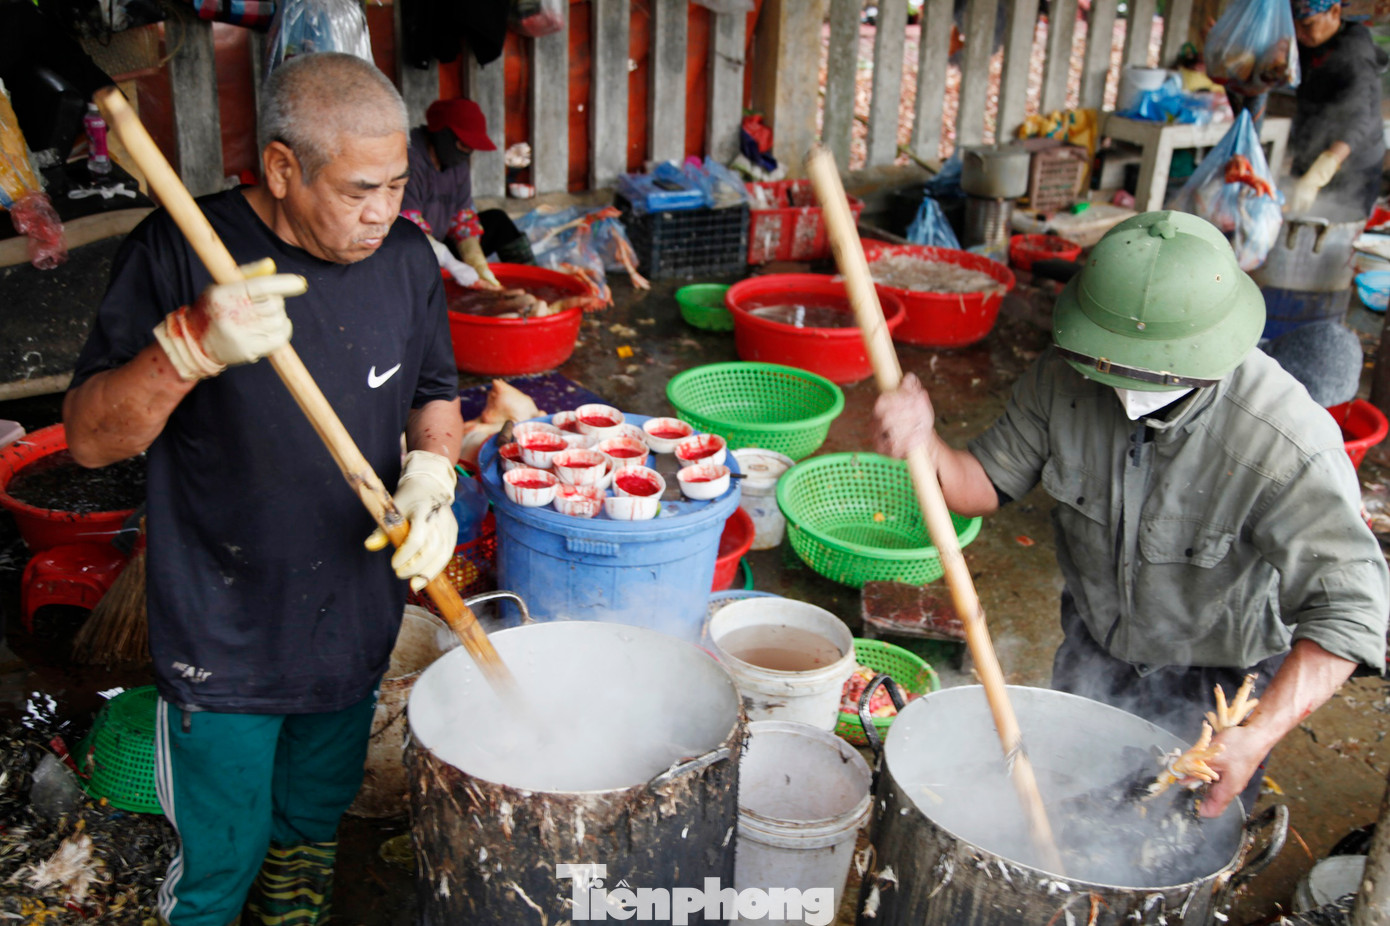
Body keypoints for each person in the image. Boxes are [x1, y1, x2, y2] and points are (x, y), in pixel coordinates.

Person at [62, 52, 463, 925]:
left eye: (398, 184)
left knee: (310, 827)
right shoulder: (179, 247)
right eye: (359, 189)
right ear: (282, 169)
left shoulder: (404, 258)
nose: (383, 212)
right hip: (223, 631)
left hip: (354, 617)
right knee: (219, 865)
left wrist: (433, 475)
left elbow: (434, 388)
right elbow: (90, 441)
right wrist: (189, 348)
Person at [874, 211, 1388, 820]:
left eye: (1137, 367)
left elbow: (1351, 612)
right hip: (1096, 648)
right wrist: (925, 443)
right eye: (1103, 358)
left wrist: (1254, 736)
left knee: (1178, 841)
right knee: (1074, 816)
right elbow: (985, 482)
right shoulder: (1065, 373)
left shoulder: (1286, 443)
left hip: (1218, 682)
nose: (1110, 377)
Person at [401, 97, 534, 287]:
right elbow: (408, 227)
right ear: (442, 134)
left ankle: (529, 281)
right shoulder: (409, 158)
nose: (467, 153)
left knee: (497, 220)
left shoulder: (457, 162)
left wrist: (478, 265)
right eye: (463, 145)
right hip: (410, 249)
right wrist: (450, 262)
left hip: (441, 243)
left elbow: (462, 218)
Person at [1287, 0, 1387, 216]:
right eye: (1295, 26)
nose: (1299, 34)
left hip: (1352, 164)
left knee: (1332, 232)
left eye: (1307, 25)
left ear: (1334, 11)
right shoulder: (1309, 44)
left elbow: (1358, 121)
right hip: (1312, 147)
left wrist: (1321, 172)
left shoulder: (1354, 54)